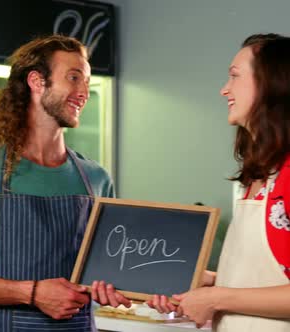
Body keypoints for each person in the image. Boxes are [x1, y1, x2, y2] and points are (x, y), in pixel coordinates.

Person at [0, 34, 130, 331]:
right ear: (37, 82)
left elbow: (111, 270)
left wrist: (112, 286)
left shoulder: (97, 179)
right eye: (74, 78)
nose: (84, 91)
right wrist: (33, 293)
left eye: (87, 81)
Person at [148, 33, 290, 331]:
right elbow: (267, 278)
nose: (224, 90)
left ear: (271, 83)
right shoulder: (258, 176)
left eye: (235, 76)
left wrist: (217, 298)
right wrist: (205, 283)